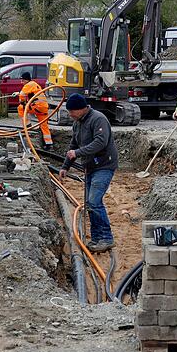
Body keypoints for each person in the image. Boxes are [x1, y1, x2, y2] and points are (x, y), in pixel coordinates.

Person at [60, 94, 118, 253]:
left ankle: (106, 238)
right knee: (90, 204)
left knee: (94, 201)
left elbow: (100, 142)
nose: (70, 115)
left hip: (104, 165)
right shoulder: (78, 123)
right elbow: (74, 144)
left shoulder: (98, 119)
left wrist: (78, 153)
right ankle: (97, 237)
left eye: (72, 111)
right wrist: (66, 166)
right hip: (91, 166)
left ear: (82, 108)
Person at [17, 72, 52, 147]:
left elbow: (22, 96)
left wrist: (22, 102)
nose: (21, 82)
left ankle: (27, 125)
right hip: (44, 108)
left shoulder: (28, 85)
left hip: (37, 107)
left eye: (22, 80)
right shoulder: (35, 84)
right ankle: (49, 144)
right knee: (44, 126)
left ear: (27, 80)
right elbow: (32, 95)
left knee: (20, 108)